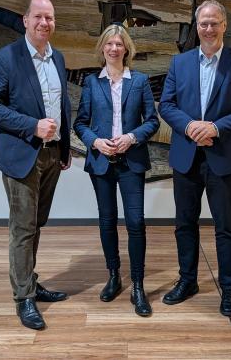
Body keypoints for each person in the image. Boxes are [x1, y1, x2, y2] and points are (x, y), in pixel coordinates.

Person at [158, 0, 231, 317]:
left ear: (224, 25)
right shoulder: (180, 63)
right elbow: (167, 104)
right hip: (187, 156)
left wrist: (215, 128)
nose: (208, 28)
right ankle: (187, 281)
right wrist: (190, 126)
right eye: (203, 23)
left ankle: (229, 289)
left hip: (224, 157)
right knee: (184, 224)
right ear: (197, 26)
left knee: (225, 227)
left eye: (214, 22)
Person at [0, 0, 72, 331]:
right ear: (25, 19)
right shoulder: (7, 58)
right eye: (38, 17)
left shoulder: (57, 58)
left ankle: (29, 281)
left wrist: (64, 148)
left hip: (51, 153)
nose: (44, 23)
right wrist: (31, 126)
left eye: (50, 17)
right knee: (22, 227)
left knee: (36, 223)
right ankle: (24, 298)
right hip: (21, 155)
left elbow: (61, 105)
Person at [73, 24, 159, 317]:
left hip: (131, 161)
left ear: (127, 49)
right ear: (102, 48)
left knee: (136, 222)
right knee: (107, 221)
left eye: (119, 44)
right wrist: (96, 142)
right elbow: (80, 123)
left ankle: (138, 285)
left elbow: (152, 121)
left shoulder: (140, 81)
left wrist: (131, 137)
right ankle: (113, 276)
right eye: (109, 44)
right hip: (101, 161)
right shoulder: (91, 82)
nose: (113, 48)